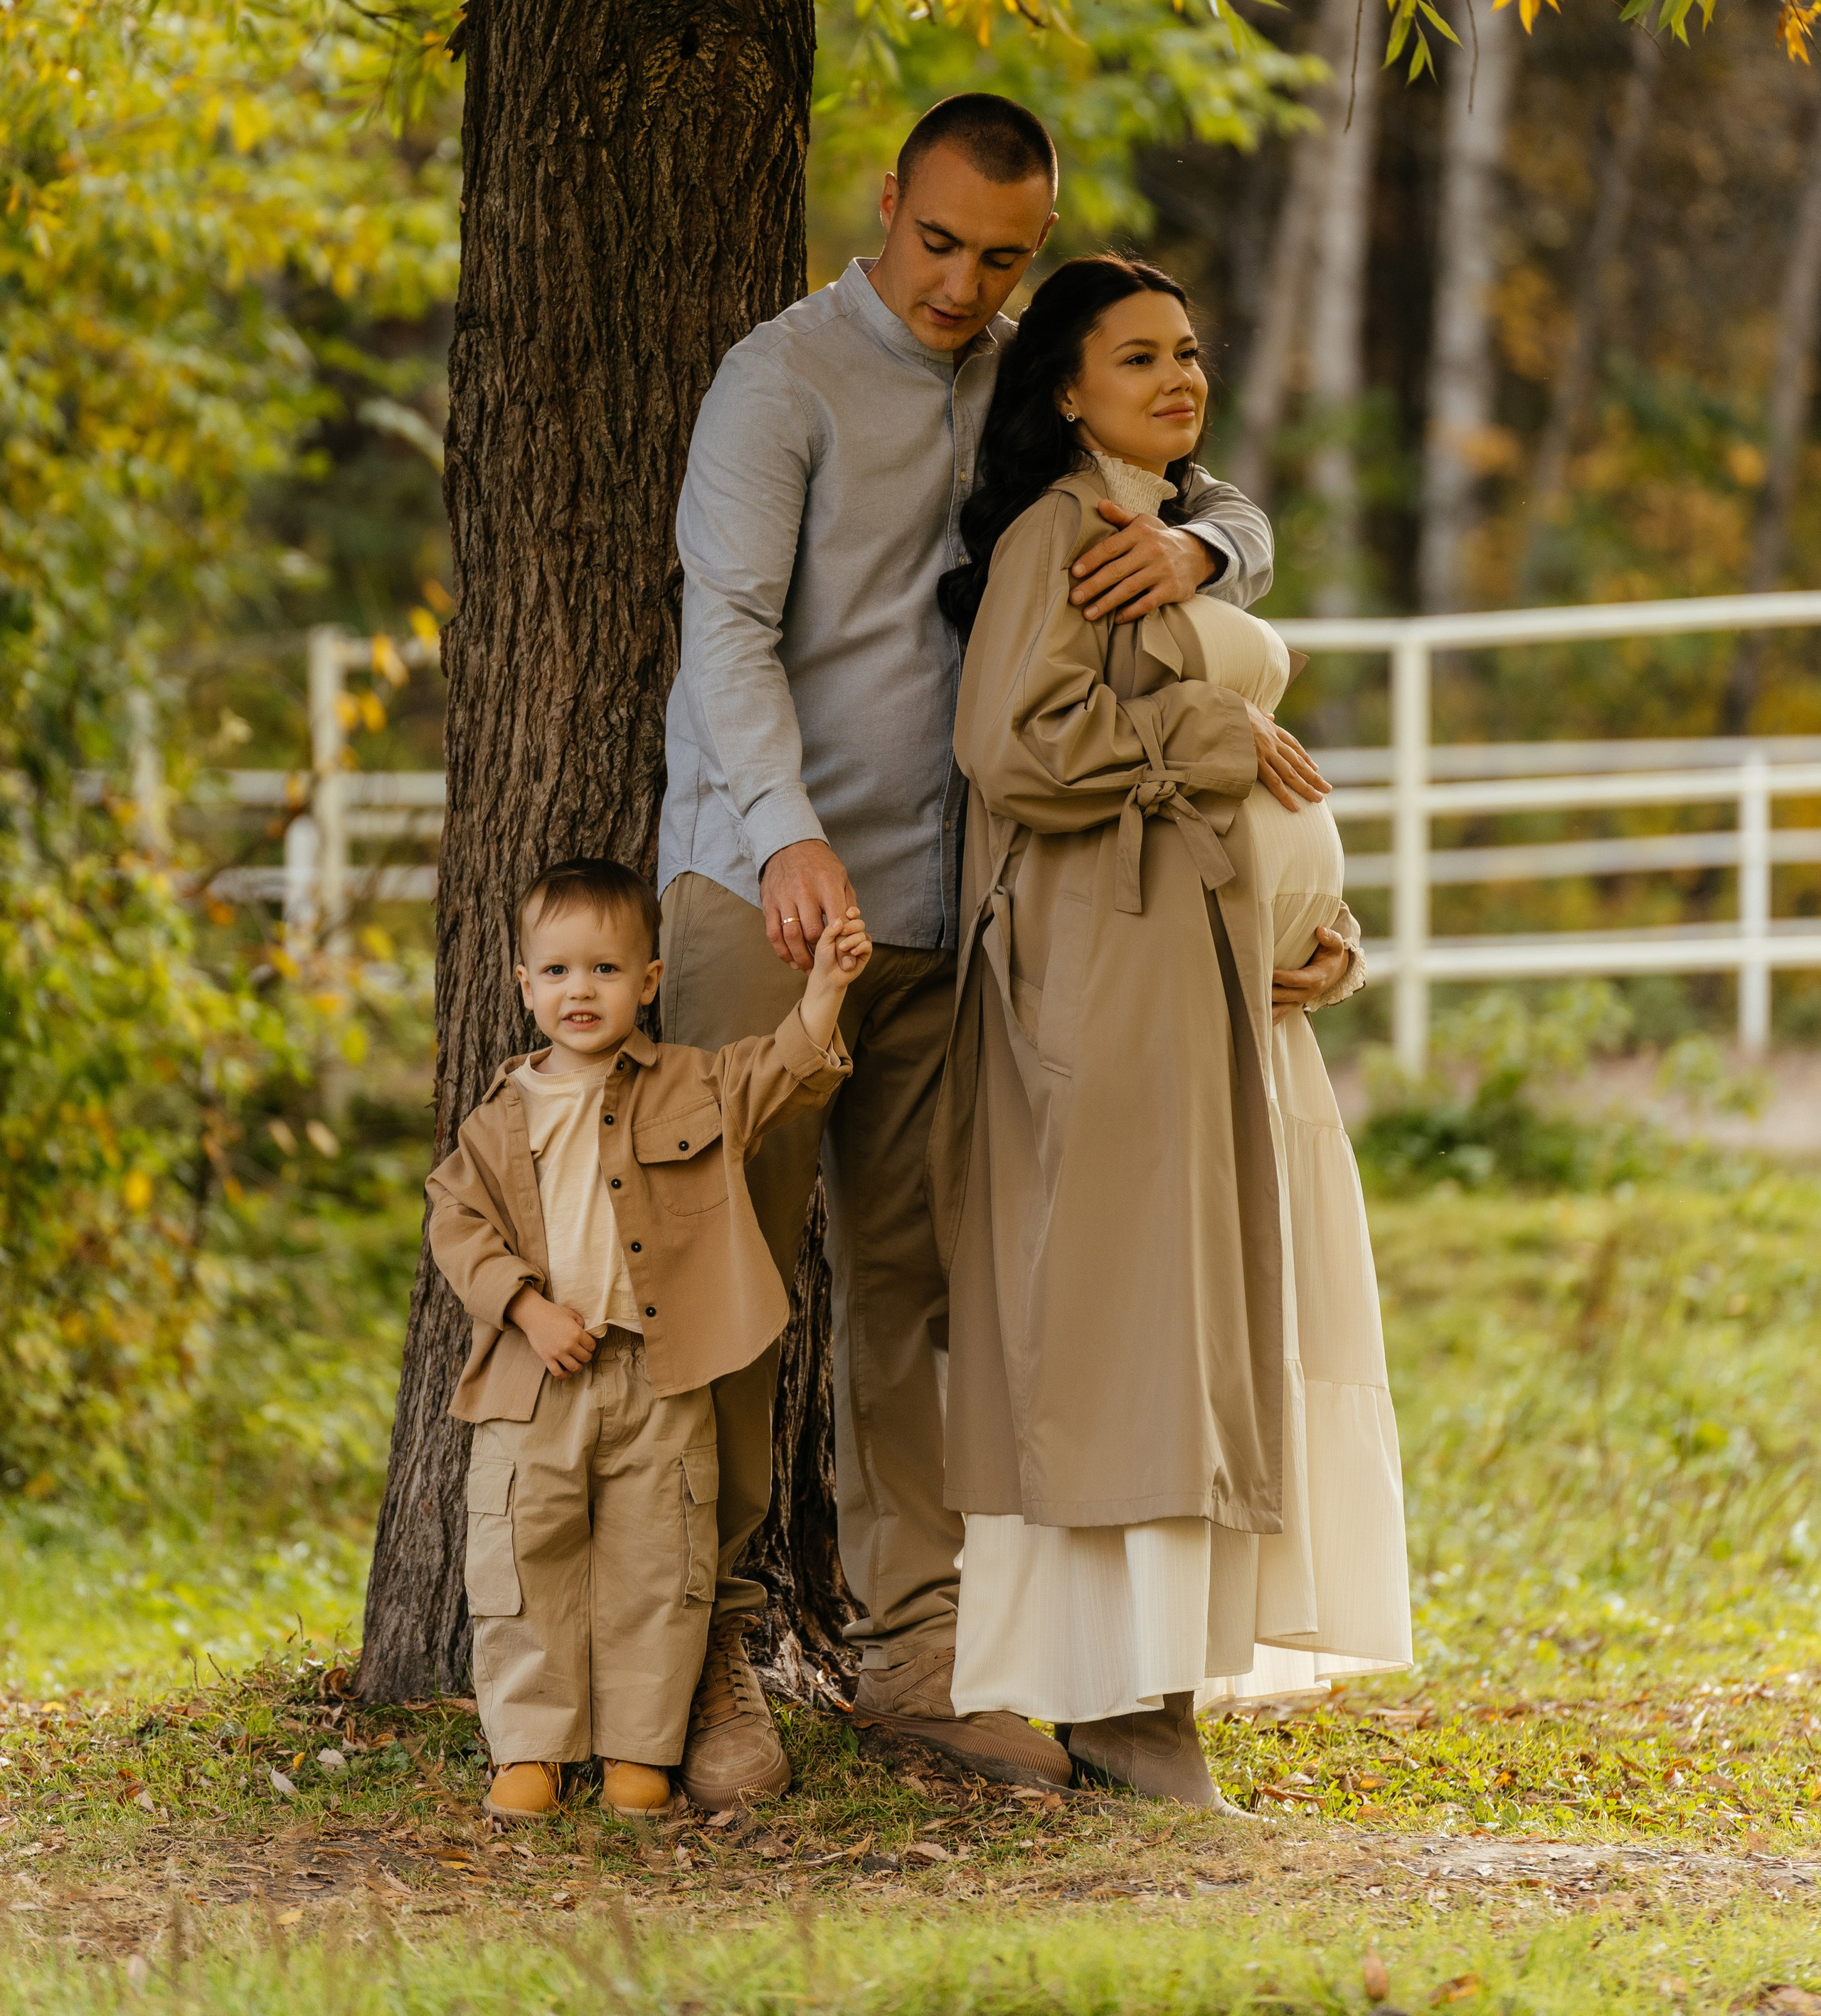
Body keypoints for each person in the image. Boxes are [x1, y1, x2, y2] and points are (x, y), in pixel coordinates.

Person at [657, 92, 1299, 1808]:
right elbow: (726, 631)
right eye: (937, 242)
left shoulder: (1036, 374)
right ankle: (706, 1651)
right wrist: (786, 832)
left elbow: (1224, 502)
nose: (959, 284)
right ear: (887, 200)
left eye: (999, 258)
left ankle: (912, 1657)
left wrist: (1200, 545)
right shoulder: (779, 381)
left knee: (912, 1294)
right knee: (728, 1289)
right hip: (765, 900)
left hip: (958, 921)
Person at [933, 255, 1412, 1808]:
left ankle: (1166, 1690)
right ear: (1067, 391)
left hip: (1223, 993)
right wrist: (1214, 731)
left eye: (1190, 352)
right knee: (1132, 1338)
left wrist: (1315, 934)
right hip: (1116, 982)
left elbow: (1247, 776)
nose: (1178, 378)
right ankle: (1123, 1708)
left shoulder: (1182, 527)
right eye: (1137, 357)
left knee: (1215, 1337)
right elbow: (1013, 746)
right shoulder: (1055, 538)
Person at [426, 856, 871, 1824]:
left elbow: (781, 1070)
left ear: (650, 981)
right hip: (535, 1380)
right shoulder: (500, 1119)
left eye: (605, 970)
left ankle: (640, 1747)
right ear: (525, 985)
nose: (580, 991)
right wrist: (525, 1308)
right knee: (527, 1556)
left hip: (662, 1379)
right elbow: (455, 1225)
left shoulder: (693, 1087)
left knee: (658, 1564)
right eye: (557, 971)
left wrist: (827, 988)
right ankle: (533, 1749)